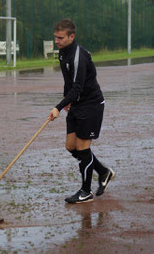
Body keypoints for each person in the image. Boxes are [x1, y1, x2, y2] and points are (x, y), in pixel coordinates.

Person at [48, 19, 115, 204]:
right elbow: (68, 81)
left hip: (91, 105)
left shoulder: (79, 56)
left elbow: (77, 86)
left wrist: (58, 107)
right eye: (55, 37)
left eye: (60, 38)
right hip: (77, 104)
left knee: (83, 148)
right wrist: (66, 98)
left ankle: (86, 192)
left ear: (72, 36)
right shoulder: (62, 52)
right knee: (71, 146)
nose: (57, 41)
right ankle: (103, 172)